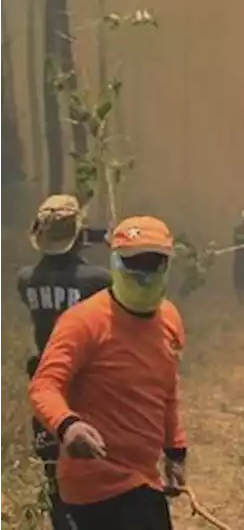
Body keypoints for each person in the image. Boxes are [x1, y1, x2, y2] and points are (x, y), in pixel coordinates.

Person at [28, 215, 188, 530]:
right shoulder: (83, 321)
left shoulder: (170, 319)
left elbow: (167, 392)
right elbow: (44, 385)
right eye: (134, 262)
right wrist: (68, 426)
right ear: (115, 262)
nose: (144, 272)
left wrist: (176, 451)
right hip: (90, 486)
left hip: (143, 481)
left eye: (154, 262)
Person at [18, 195, 113, 530]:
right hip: (88, 387)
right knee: (93, 469)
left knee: (53, 474)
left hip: (47, 386)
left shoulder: (26, 278)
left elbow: (61, 256)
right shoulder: (98, 280)